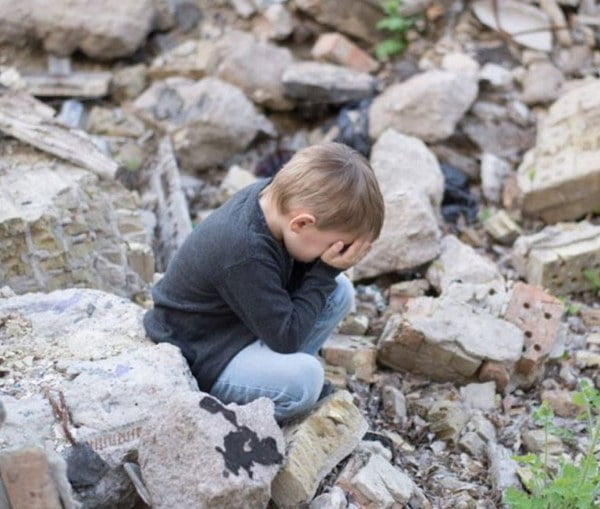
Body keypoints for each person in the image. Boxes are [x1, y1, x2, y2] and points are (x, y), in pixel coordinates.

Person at [143, 142, 385, 423]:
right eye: (333, 246)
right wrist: (324, 271)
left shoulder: (274, 200)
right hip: (201, 354)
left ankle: (272, 373)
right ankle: (239, 416)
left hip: (236, 326)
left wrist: (326, 270)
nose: (334, 255)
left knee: (339, 291)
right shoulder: (244, 249)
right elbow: (286, 338)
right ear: (301, 224)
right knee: (305, 380)